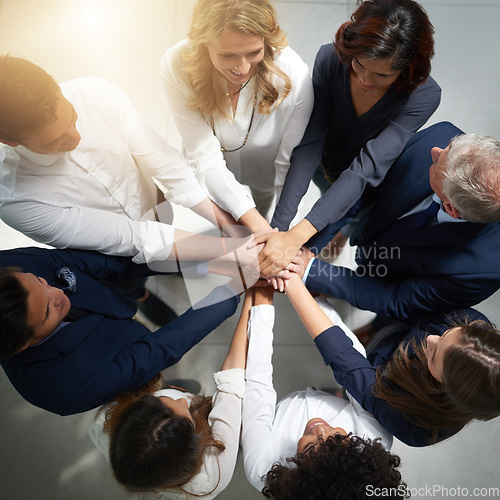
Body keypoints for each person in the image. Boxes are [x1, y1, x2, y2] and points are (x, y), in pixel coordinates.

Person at [0, 55, 244, 325]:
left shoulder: (94, 94)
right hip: (115, 255)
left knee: (178, 252)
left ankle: (181, 263)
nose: (75, 137)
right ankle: (141, 297)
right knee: (130, 282)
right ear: (9, 141)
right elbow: (135, 239)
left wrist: (230, 228)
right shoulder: (16, 200)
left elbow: (167, 165)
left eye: (72, 117)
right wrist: (231, 248)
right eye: (54, 141)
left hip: (154, 204)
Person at [259, 0, 441, 276]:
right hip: (323, 161)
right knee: (324, 196)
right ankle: (333, 224)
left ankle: (343, 232)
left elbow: (366, 169)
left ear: (407, 70)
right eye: (359, 64)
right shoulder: (330, 59)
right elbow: (310, 143)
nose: (366, 79)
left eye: (382, 74)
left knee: (355, 215)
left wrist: (298, 238)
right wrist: (279, 228)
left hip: (370, 179)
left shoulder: (423, 96)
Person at [0, 246, 242, 416]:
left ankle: (140, 296)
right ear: (22, 344)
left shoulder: (10, 268)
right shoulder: (64, 388)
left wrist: (205, 258)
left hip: (115, 306)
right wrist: (233, 290)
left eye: (42, 281)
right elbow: (156, 351)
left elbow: (111, 264)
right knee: (150, 390)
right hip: (120, 367)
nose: (59, 293)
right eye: (47, 311)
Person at [300, 121, 500, 322]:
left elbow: (395, 298)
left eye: (437, 163)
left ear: (450, 208)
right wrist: (308, 246)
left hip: (392, 272)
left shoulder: (483, 271)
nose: (435, 151)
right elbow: (364, 189)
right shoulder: (439, 136)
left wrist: (313, 273)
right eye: (450, 145)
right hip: (375, 223)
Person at [283, 273, 500, 447]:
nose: (430, 339)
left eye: (434, 354)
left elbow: (352, 368)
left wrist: (296, 287)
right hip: (395, 335)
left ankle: (342, 395)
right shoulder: (472, 325)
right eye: (446, 333)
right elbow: (408, 305)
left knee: (355, 394)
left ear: (444, 388)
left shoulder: (415, 427)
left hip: (381, 379)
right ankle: (371, 332)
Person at [241, 287, 408, 498]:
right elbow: (350, 359)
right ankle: (343, 398)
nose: (320, 430)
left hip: (282, 411)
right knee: (354, 384)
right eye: (338, 439)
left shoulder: (262, 470)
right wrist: (310, 295)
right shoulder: (374, 439)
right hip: (345, 400)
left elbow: (258, 384)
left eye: (310, 449)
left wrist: (262, 296)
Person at [160, 0, 314, 227]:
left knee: (264, 202)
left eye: (254, 52)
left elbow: (288, 163)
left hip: (266, 169)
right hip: (210, 169)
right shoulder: (175, 64)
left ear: (267, 39)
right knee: (233, 222)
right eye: (227, 55)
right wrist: (248, 220)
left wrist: (279, 229)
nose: (242, 68)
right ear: (205, 43)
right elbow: (203, 156)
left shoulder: (294, 74)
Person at [89, 291, 253, 498]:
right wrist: (253, 301)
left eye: (159, 401)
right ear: (194, 448)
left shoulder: (104, 422)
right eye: (190, 418)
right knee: (233, 434)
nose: (184, 401)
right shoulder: (213, 474)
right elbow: (232, 380)